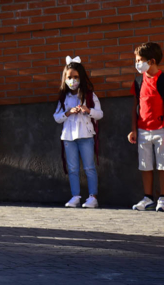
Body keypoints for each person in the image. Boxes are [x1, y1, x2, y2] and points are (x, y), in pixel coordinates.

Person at [129, 42, 164, 212]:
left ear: (152, 61)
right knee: (145, 165)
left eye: (140, 60)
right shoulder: (138, 81)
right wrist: (133, 129)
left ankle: (163, 199)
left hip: (162, 130)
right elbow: (135, 107)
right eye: (136, 60)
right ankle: (148, 198)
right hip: (143, 131)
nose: (137, 64)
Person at [53, 57, 103, 209]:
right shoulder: (63, 98)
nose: (73, 80)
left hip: (86, 136)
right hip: (68, 137)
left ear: (81, 77)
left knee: (89, 167)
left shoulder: (89, 95)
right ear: (65, 78)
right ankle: (75, 196)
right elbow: (56, 117)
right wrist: (67, 113)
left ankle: (92, 197)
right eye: (69, 77)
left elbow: (100, 114)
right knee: (72, 168)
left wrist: (88, 110)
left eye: (76, 77)